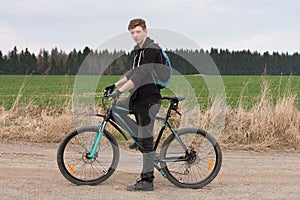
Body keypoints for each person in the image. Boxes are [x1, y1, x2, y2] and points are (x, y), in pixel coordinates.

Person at [104, 18, 167, 191]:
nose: (135, 35)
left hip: (149, 100)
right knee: (115, 109)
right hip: (138, 98)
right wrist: (115, 85)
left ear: (145, 31)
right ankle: (138, 138)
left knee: (147, 143)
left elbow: (141, 74)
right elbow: (133, 72)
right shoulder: (138, 51)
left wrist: (121, 90)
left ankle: (147, 181)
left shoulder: (152, 49)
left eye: (138, 31)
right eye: (132, 32)